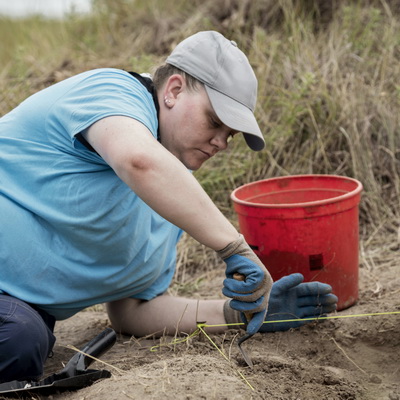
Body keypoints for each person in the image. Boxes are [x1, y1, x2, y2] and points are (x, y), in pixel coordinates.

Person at [0, 31, 337, 383]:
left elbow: (132, 311)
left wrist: (238, 313)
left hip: (17, 313)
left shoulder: (169, 201)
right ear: (174, 90)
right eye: (214, 121)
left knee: (21, 340)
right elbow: (138, 160)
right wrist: (233, 246)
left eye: (231, 134)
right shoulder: (111, 92)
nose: (221, 142)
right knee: (18, 340)